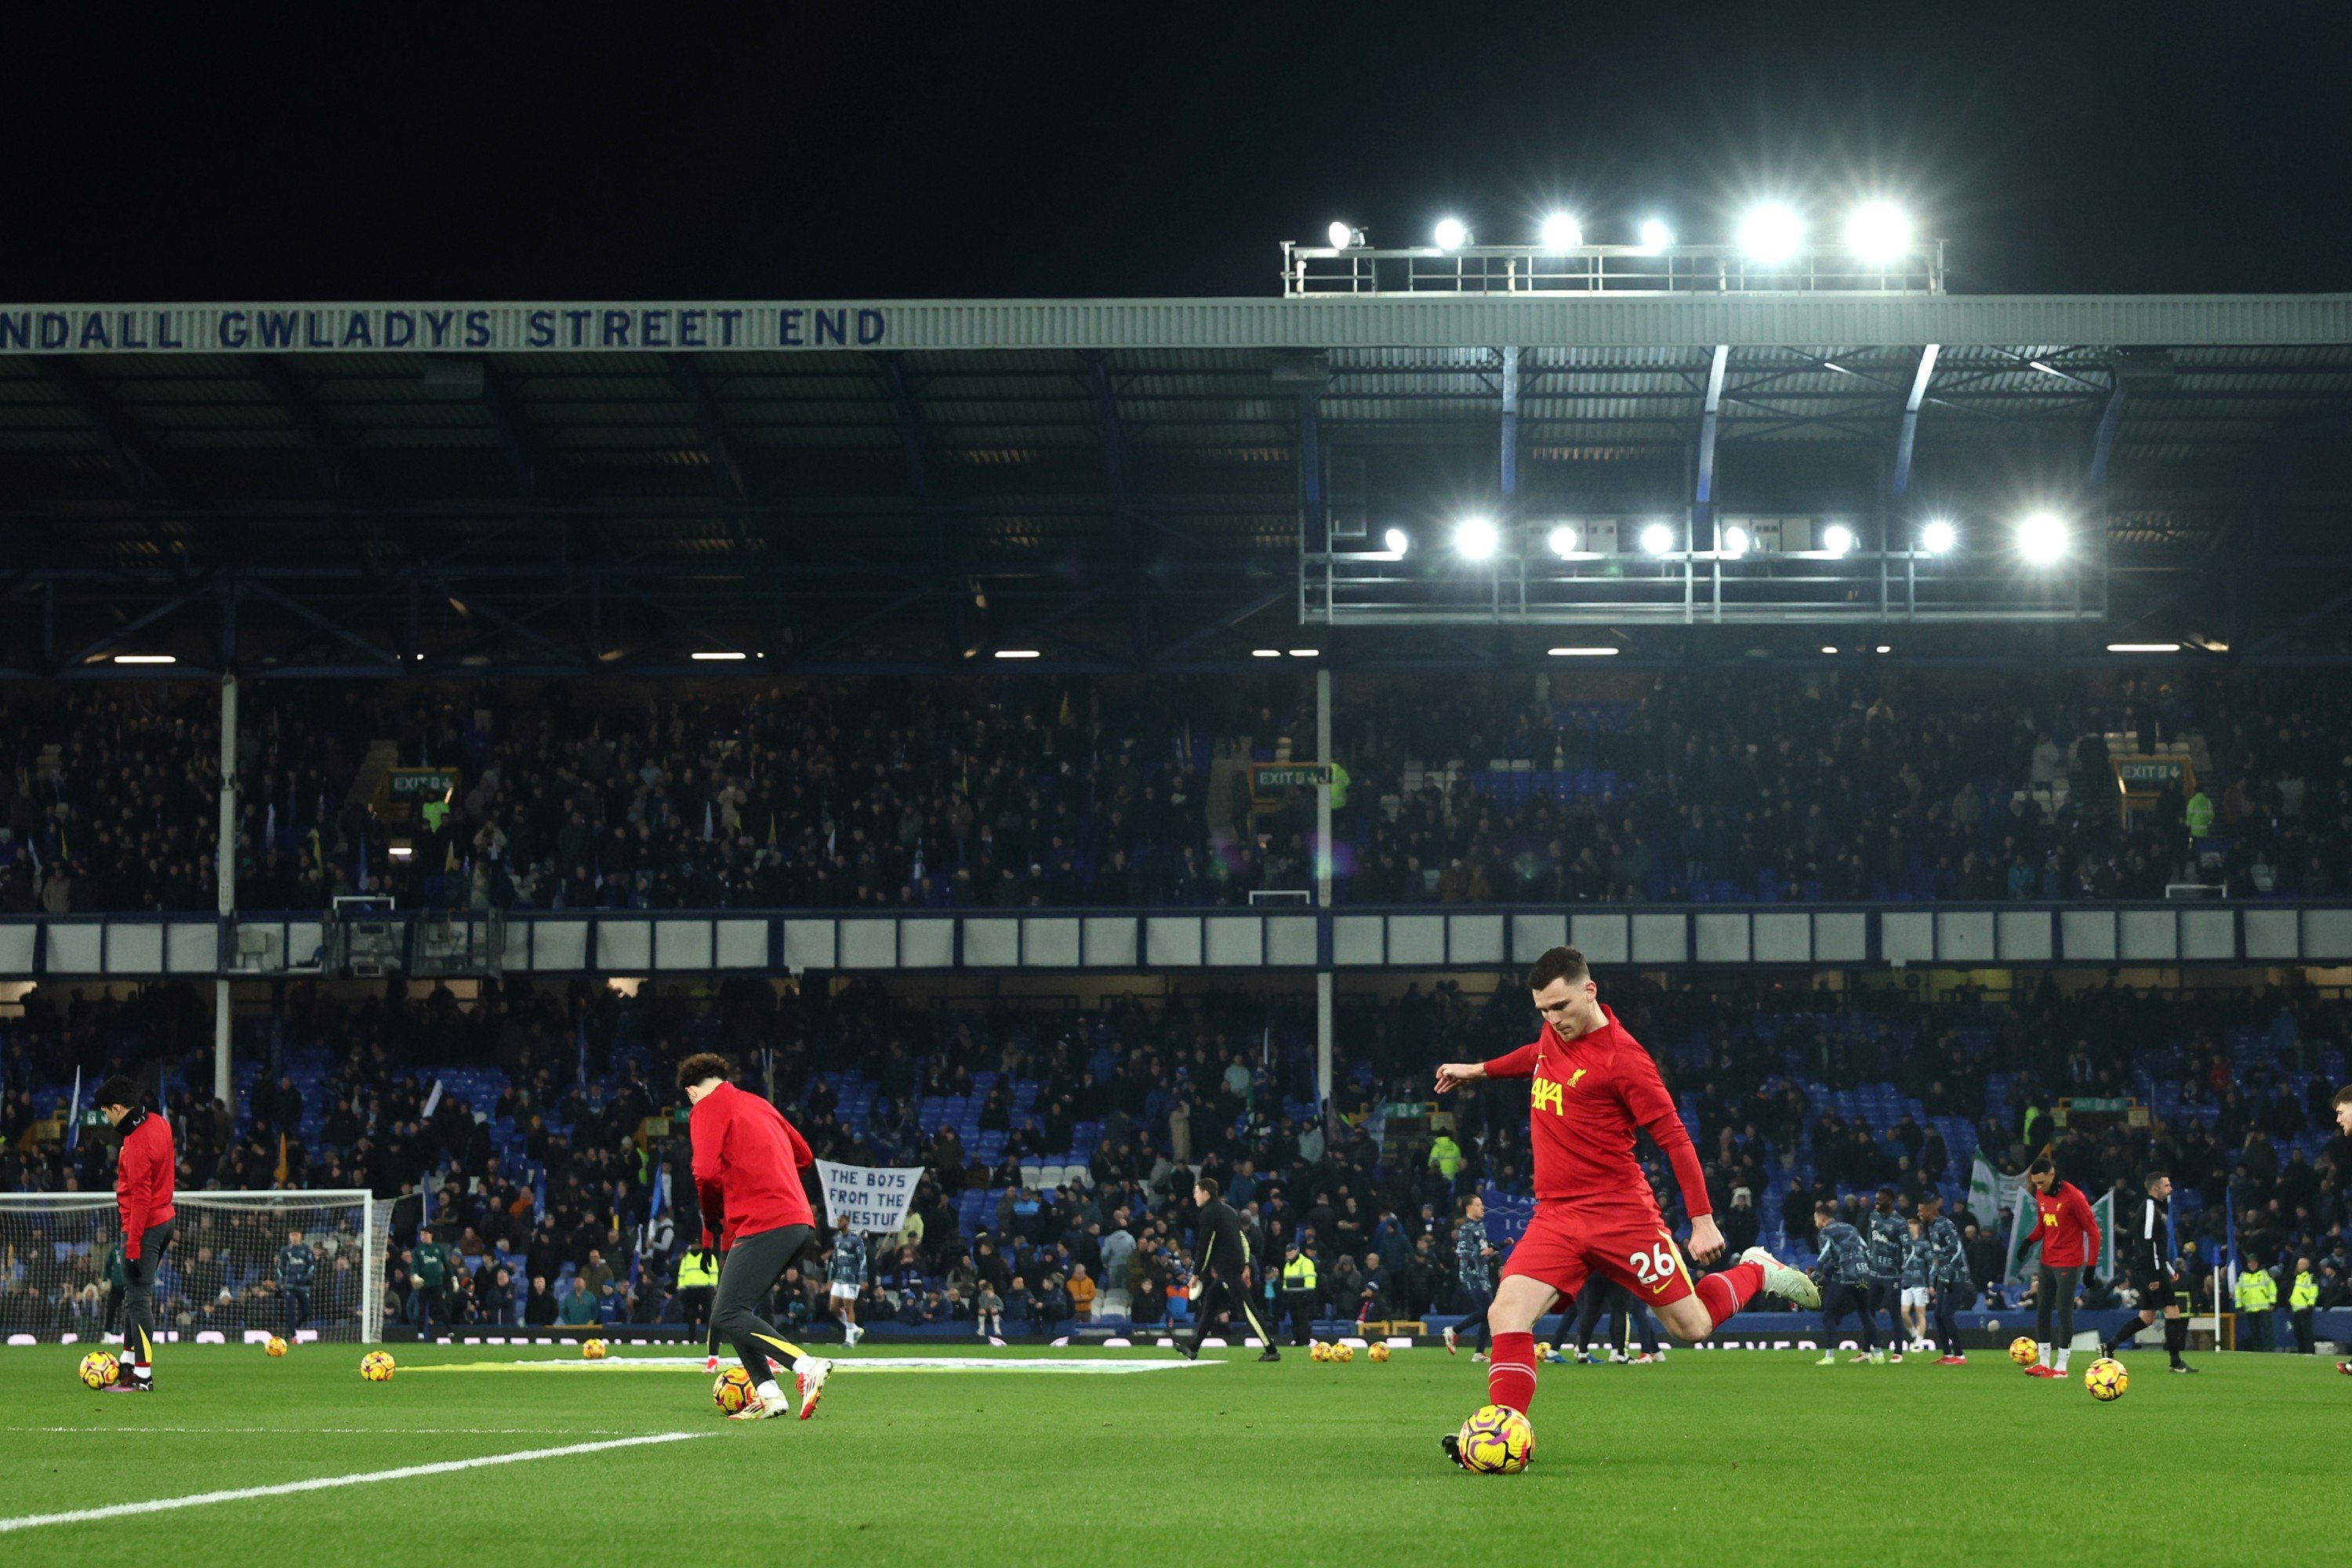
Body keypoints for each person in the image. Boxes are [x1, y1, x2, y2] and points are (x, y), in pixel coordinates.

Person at [1429, 947, 1818, 1467]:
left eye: (1560, 1007)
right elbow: (1535, 1056)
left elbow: (1675, 1138)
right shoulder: (1554, 1034)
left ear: (1589, 991)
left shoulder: (1625, 1060)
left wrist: (1702, 1221)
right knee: (1507, 1312)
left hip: (1622, 1217)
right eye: (1543, 1010)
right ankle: (1504, 1432)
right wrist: (1479, 1070)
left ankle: (1757, 1270)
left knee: (1691, 1327)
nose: (1553, 1020)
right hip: (1556, 1217)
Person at [681, 1051, 833, 1421]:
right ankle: (769, 1395)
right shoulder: (759, 1104)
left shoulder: (706, 1108)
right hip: (798, 1221)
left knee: (726, 1312)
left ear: (691, 1091)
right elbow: (804, 1156)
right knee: (734, 1309)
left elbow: (705, 1173)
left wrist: (712, 1215)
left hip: (763, 1221)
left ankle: (805, 1365)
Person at [99, 1075, 174, 1393]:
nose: (107, 1118)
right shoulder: (159, 1123)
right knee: (133, 1296)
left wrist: (131, 1247)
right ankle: (128, 1362)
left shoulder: (136, 1146)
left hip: (144, 1227)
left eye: (106, 1112)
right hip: (166, 1218)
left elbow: (141, 1199)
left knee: (139, 1299)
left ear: (117, 1108)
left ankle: (143, 1376)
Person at [2102, 1171, 2195, 1374]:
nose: (2170, 1189)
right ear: (2155, 1188)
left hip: (2149, 1267)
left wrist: (2169, 1269)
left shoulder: (2149, 1208)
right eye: (2167, 1185)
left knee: (2146, 1317)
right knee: (2173, 1311)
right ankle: (2176, 1362)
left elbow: (2151, 1243)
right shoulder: (2150, 1207)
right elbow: (2147, 1243)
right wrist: (2155, 1275)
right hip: (2151, 1269)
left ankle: (2109, 1346)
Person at [1181, 1174, 1279, 1362]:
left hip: (1228, 1270)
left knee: (1247, 1308)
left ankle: (1271, 1349)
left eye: (1197, 1192)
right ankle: (1193, 1347)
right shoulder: (1229, 1210)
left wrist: (1196, 1273)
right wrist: (1247, 1265)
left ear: (1206, 1193)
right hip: (1232, 1268)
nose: (1195, 1196)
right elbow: (1243, 1239)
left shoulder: (1209, 1213)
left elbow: (1205, 1245)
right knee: (1210, 1303)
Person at [2018, 1157, 2101, 1378]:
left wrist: (2091, 1267)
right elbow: (2044, 1226)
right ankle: (2044, 1362)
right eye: (2035, 1183)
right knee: (2043, 1309)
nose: (2038, 1187)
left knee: (2064, 1311)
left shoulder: (2074, 1197)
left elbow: (2093, 1232)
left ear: (2052, 1175)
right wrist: (2028, 1242)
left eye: (2041, 1182)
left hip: (2069, 1262)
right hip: (2047, 1260)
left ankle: (2062, 1365)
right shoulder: (2040, 1194)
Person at [1810, 1200, 1879, 1365]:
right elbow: (1866, 1250)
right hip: (1863, 1275)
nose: (1816, 1223)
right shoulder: (1851, 1228)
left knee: (1829, 1313)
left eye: (1816, 1219)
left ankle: (1829, 1356)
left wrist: (1817, 1273)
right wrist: (1872, 1272)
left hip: (1845, 1275)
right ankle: (1878, 1354)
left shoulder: (1825, 1231)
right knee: (1865, 1313)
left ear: (1822, 1219)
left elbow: (1826, 1255)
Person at [1443, 1192, 1497, 1362]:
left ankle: (1479, 1353)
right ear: (1468, 1208)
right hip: (1471, 1275)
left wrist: (1495, 1249)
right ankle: (1454, 1330)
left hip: (1483, 1275)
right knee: (1487, 1310)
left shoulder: (1480, 1227)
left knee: (1489, 1313)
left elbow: (1483, 1249)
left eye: (1482, 1205)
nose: (1482, 1208)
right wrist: (1482, 1254)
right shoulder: (1466, 1229)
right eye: (1478, 1205)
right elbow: (1463, 1252)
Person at [1919, 1196, 1970, 1365]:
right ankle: (1947, 1354)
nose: (1919, 1214)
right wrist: (1933, 1278)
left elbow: (1957, 1249)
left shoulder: (1945, 1224)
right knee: (1937, 1315)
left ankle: (1960, 1355)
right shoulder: (1931, 1226)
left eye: (1921, 1211)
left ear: (1931, 1210)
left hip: (1955, 1276)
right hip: (1943, 1276)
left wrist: (1949, 1271)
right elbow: (1937, 1255)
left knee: (1946, 1315)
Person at [1863, 1188, 1909, 1362]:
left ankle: (1898, 1352)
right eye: (1876, 1199)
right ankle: (1867, 1351)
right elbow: (1869, 1239)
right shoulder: (1873, 1216)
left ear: (1890, 1201)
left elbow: (1908, 1248)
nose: (1877, 1202)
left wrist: (1902, 1269)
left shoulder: (1900, 1222)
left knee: (1895, 1313)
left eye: (1880, 1199)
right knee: (1868, 1312)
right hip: (1874, 1273)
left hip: (1892, 1276)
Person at [1570, 1280, 1660, 1365]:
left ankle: (1582, 1352)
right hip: (1617, 1275)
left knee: (1590, 1311)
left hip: (1595, 1274)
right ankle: (1621, 1354)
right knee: (1620, 1312)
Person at [826, 1215, 867, 1348]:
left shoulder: (855, 1239)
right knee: (833, 1308)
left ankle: (849, 1341)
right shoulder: (837, 1239)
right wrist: (830, 1278)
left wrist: (863, 1278)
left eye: (841, 1221)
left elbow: (862, 1259)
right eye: (838, 1221)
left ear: (847, 1222)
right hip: (839, 1277)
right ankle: (855, 1329)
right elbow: (834, 1260)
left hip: (851, 1279)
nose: (839, 1223)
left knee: (849, 1307)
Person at [277, 1227, 318, 1341]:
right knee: (291, 1310)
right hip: (290, 1285)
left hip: (303, 1286)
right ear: (289, 1237)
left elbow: (311, 1266)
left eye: (296, 1235)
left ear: (300, 1236)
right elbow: (281, 1267)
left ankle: (295, 1327)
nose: (294, 1237)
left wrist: (306, 1278)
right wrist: (281, 1281)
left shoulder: (306, 1249)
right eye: (292, 1235)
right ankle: (293, 1336)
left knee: (306, 1311)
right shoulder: (285, 1250)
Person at [1899, 1216, 1932, 1354]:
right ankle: (1914, 1333)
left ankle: (1919, 1342)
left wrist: (1931, 1284)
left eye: (1911, 1226)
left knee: (1920, 1313)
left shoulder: (1925, 1244)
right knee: (1904, 1312)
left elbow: (1931, 1265)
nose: (1908, 1229)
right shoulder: (1903, 1244)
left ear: (1918, 1227)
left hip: (1920, 1283)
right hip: (1906, 1282)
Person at [675, 1243, 719, 1341]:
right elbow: (682, 1274)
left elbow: (713, 1272)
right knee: (691, 1316)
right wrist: (682, 1287)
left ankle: (711, 1339)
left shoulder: (708, 1257)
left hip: (704, 1289)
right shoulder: (686, 1259)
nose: (695, 1246)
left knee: (708, 1315)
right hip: (690, 1290)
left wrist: (712, 1286)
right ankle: (692, 1339)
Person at [1279, 1240, 1319, 1347]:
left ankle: (1304, 1341)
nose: (1289, 1254)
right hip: (1291, 1296)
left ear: (1297, 1251)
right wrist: (1285, 1295)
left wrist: (1308, 1295)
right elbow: (1286, 1281)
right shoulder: (1287, 1265)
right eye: (1288, 1252)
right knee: (1294, 1320)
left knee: (1302, 1320)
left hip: (1302, 1296)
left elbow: (1310, 1279)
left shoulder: (1305, 1262)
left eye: (1291, 1251)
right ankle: (1297, 1340)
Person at [410, 1227, 449, 1329]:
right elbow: (414, 1267)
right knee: (419, 1309)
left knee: (441, 1307)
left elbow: (447, 1266)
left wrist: (452, 1279)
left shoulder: (438, 1249)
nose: (422, 1237)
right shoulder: (418, 1251)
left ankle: (449, 1330)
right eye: (421, 1235)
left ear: (431, 1235)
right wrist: (415, 1276)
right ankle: (419, 1332)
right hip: (423, 1285)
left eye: (425, 1234)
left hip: (436, 1285)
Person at [2288, 1257, 2319, 1354]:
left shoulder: (2311, 1278)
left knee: (2306, 1331)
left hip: (2305, 1308)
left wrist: (2310, 1305)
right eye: (2298, 1264)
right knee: (2298, 1331)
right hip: (2296, 1309)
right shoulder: (2298, 1277)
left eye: (2301, 1264)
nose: (2299, 1266)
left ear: (2307, 1265)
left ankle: (2310, 1351)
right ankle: (2302, 1351)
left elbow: (2314, 1292)